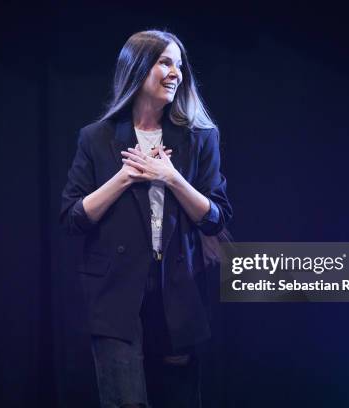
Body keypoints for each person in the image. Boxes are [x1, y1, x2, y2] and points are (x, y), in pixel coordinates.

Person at [60, 29, 232, 408]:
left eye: (180, 65)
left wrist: (171, 177)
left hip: (179, 292)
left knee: (179, 398)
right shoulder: (96, 138)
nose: (177, 73)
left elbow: (216, 219)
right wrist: (124, 177)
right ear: (138, 69)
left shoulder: (201, 138)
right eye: (165, 62)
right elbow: (73, 218)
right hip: (115, 295)